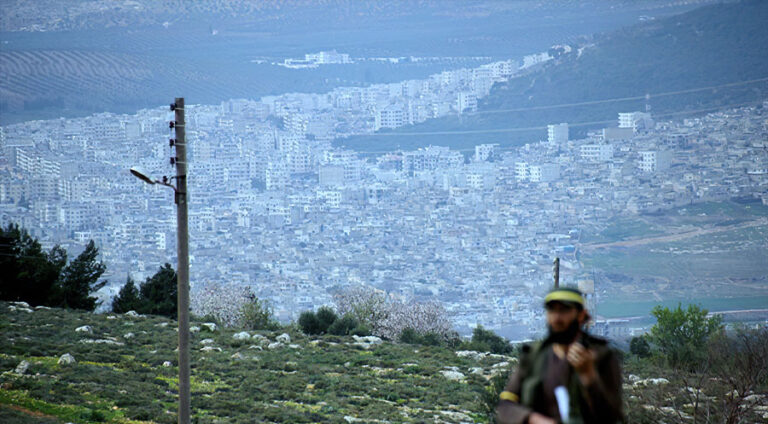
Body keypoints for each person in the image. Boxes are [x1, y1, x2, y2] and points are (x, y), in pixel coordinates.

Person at [496, 287, 623, 424]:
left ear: (581, 315)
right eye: (552, 311)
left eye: (564, 311)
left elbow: (611, 415)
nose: (557, 318)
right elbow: (506, 404)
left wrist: (589, 376)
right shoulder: (534, 355)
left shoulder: (601, 356)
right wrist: (533, 419)